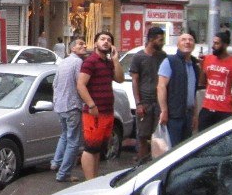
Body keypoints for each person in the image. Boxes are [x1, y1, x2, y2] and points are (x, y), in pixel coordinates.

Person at [76, 31, 124, 180]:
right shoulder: (90, 61)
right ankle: (89, 182)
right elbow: (81, 85)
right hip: (93, 113)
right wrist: (91, 105)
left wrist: (116, 60)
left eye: (109, 40)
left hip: (107, 112)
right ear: (95, 43)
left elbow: (120, 79)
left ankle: (94, 179)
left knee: (98, 149)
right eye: (102, 39)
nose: (105, 42)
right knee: (90, 148)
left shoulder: (109, 63)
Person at [50, 37, 87, 183]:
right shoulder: (78, 62)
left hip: (60, 106)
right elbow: (81, 84)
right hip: (72, 106)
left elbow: (54, 84)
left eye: (84, 44)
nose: (84, 46)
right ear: (72, 48)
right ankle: (63, 173)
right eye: (80, 44)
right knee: (73, 141)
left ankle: (56, 162)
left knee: (65, 135)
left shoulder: (63, 62)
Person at [130, 26, 166, 162]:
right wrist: (138, 103)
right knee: (143, 136)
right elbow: (135, 81)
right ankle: (141, 163)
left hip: (159, 102)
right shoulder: (139, 57)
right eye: (160, 40)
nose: (162, 43)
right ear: (151, 39)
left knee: (158, 135)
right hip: (145, 102)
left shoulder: (163, 57)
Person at [157, 33, 200, 145]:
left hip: (188, 115)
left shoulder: (195, 66)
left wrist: (195, 115)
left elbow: (193, 92)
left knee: (185, 148)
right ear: (178, 44)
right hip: (173, 115)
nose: (187, 42)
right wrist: (164, 110)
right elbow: (161, 87)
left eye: (190, 40)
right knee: (173, 149)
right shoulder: (170, 61)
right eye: (183, 40)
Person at [198, 31, 232, 131]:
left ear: (225, 45)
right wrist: (201, 66)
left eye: (217, 43)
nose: (213, 46)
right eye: (213, 43)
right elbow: (202, 82)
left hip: (225, 110)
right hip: (207, 107)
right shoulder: (208, 59)